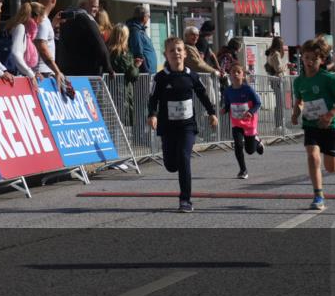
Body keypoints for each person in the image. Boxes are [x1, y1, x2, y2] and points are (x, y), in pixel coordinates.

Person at [147, 37, 219, 213]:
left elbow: (202, 95)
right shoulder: (161, 77)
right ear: (166, 54)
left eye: (179, 50)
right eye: (172, 50)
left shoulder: (191, 75)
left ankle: (185, 200)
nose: (176, 53)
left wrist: (212, 113)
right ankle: (178, 165)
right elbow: (153, 98)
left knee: (184, 158)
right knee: (171, 165)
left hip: (187, 126)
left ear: (185, 53)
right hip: (168, 127)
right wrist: (152, 115)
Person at [292, 36, 335, 211]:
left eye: (314, 59)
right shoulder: (299, 81)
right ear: (302, 58)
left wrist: (330, 114)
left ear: (321, 60)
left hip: (330, 126)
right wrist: (295, 113)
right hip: (311, 125)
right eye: (306, 58)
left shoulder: (328, 78)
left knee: (331, 168)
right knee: (313, 156)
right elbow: (299, 100)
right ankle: (318, 195)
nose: (309, 62)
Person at [221, 63, 264, 180]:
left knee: (250, 151)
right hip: (236, 122)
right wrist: (225, 109)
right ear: (229, 75)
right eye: (233, 72)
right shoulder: (228, 91)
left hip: (249, 122)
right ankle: (243, 170)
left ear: (243, 75)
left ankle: (257, 141)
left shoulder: (248, 89)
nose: (235, 74)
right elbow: (228, 104)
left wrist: (250, 112)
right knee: (238, 145)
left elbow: (258, 103)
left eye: (238, 72)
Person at [60, 0, 115, 78]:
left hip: (68, 69)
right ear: (82, 5)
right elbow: (99, 44)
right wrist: (109, 68)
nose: (97, 10)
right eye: (94, 6)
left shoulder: (67, 17)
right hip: (88, 71)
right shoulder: (86, 19)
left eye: (97, 7)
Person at [107, 23, 141, 125]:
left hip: (113, 89)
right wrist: (136, 66)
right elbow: (131, 74)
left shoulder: (108, 49)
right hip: (121, 91)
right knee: (121, 120)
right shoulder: (121, 53)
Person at [4, 2, 41, 83]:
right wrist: (30, 74)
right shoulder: (20, 28)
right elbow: (16, 53)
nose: (41, 22)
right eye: (42, 18)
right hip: (12, 76)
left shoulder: (19, 28)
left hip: (10, 74)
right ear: (37, 17)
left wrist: (32, 72)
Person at [126, 4, 158, 74]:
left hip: (149, 71)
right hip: (146, 73)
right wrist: (146, 71)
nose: (149, 18)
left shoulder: (139, 30)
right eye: (148, 16)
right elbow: (138, 53)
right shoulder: (136, 31)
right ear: (144, 17)